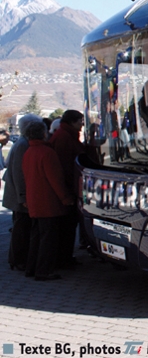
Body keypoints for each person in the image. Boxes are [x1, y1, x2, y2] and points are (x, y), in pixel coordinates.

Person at [23, 120, 75, 281]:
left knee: (36, 236)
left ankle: (31, 267)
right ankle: (44, 270)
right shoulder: (47, 153)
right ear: (44, 133)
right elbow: (55, 179)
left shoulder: (28, 152)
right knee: (48, 238)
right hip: (47, 202)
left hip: (34, 200)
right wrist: (65, 198)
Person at [2, 114, 42, 270]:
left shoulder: (22, 142)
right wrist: (23, 197)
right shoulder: (23, 144)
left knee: (21, 227)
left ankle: (18, 259)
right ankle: (18, 260)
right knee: (21, 229)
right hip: (19, 196)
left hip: (19, 194)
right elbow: (18, 173)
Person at [49, 110, 86, 266]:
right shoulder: (64, 137)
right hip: (68, 188)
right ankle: (63, 258)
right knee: (67, 225)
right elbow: (64, 167)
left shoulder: (66, 135)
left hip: (71, 186)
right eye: (79, 122)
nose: (82, 125)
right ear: (72, 122)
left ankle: (65, 256)